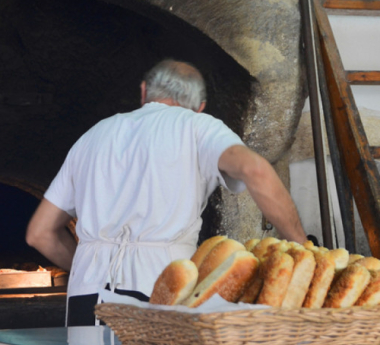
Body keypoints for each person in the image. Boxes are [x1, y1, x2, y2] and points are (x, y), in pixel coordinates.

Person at [26, 59, 307, 326]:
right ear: (200, 107)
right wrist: (304, 249)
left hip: (86, 294)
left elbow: (39, 234)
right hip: (161, 286)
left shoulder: (93, 135)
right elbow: (255, 169)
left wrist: (90, 269)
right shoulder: (198, 126)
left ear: (145, 92)